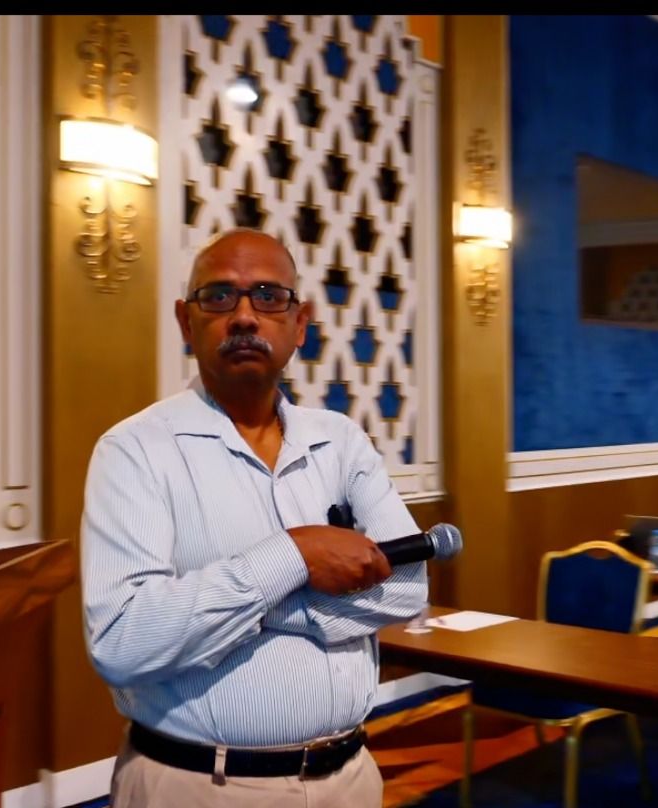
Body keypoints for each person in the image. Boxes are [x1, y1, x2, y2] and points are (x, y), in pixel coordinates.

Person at [81, 229, 427, 807]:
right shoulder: (135, 450)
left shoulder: (341, 441)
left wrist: (255, 609)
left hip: (351, 779)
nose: (244, 316)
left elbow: (409, 588)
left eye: (268, 296)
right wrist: (294, 554)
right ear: (186, 321)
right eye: (219, 296)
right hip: (201, 786)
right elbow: (124, 641)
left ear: (300, 323)